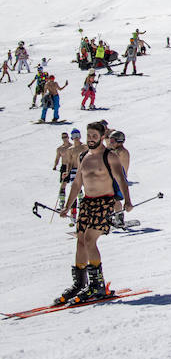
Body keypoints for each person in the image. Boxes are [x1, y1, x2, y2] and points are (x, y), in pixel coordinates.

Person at [56, 121, 132, 304]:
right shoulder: (83, 156)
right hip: (87, 203)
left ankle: (97, 285)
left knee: (90, 239)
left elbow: (121, 179)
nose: (91, 139)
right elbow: (77, 184)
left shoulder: (110, 156)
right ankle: (80, 284)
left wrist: (127, 201)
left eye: (94, 136)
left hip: (104, 201)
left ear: (101, 137)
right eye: (89, 135)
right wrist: (67, 205)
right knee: (80, 241)